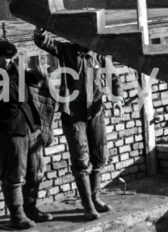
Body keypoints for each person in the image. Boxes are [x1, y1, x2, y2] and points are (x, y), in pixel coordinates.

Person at [33, 26, 123, 221]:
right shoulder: (66, 51)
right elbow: (45, 42)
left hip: (95, 111)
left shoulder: (99, 55)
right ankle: (87, 205)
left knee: (99, 156)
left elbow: (113, 78)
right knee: (81, 160)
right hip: (73, 113)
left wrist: (117, 98)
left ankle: (95, 197)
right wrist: (40, 31)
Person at [0, 38, 52, 230]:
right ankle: (17, 215)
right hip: (11, 129)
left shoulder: (13, 68)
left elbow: (31, 82)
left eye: (10, 58)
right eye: (3, 58)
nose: (7, 62)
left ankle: (31, 209)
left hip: (29, 125)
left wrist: (37, 73)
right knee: (13, 175)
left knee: (35, 171)